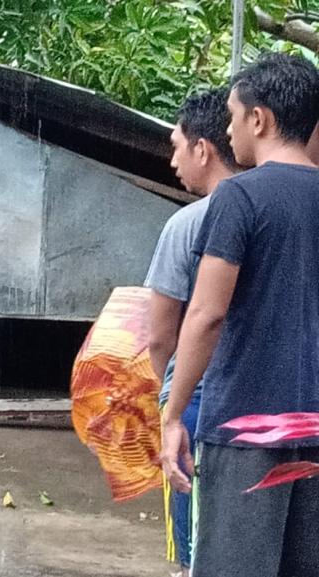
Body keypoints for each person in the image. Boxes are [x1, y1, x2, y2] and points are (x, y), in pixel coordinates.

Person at [160, 52, 319, 577]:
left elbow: (206, 315)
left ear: (261, 119)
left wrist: (171, 413)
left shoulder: (239, 198)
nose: (228, 130)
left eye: (232, 115)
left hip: (246, 428)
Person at [144, 87, 238, 577]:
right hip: (273, 402)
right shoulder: (290, 211)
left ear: (203, 148)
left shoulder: (188, 225)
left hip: (200, 398)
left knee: (193, 548)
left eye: (177, 144)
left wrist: (171, 398)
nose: (173, 158)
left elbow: (160, 334)